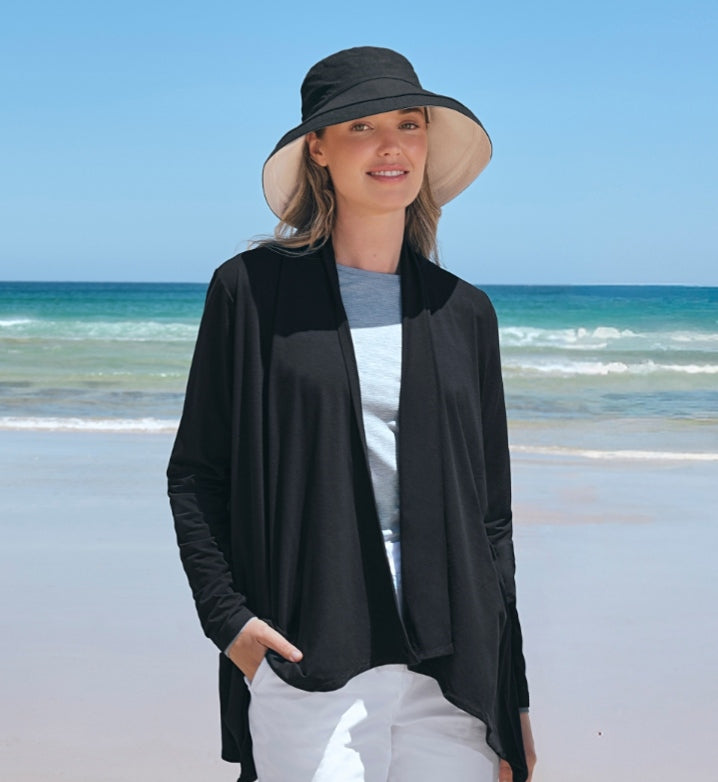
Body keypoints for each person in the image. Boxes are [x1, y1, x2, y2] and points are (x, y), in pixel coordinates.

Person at [168, 46, 536, 782]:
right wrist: (231, 624)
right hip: (311, 658)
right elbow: (198, 475)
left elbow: (491, 519)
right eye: (361, 127)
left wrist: (512, 695)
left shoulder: (465, 312)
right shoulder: (250, 292)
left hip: (455, 673)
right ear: (318, 149)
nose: (391, 145)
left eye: (408, 123)